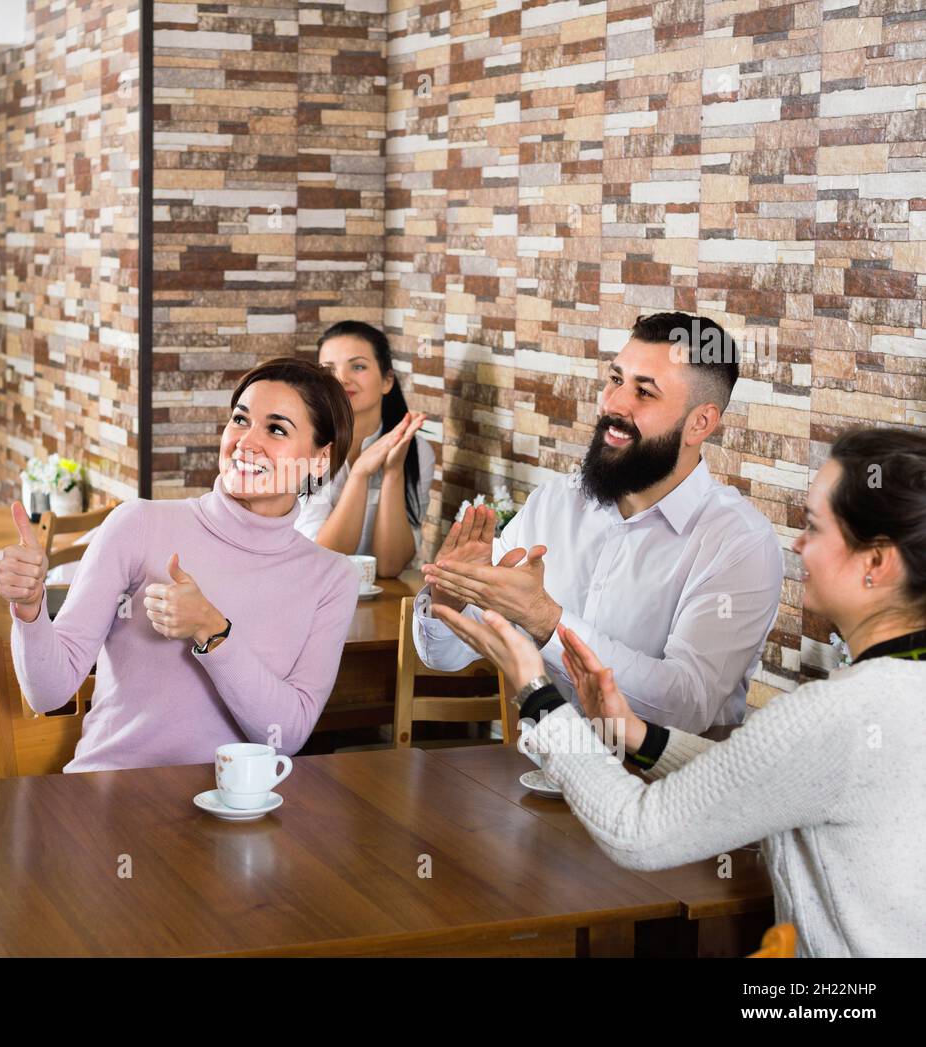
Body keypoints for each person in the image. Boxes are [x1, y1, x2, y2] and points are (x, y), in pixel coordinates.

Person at [435, 425, 926, 958]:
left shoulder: (837, 713)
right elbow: (765, 773)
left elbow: (637, 832)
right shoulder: (884, 697)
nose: (799, 544)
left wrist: (536, 692)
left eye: (814, 527)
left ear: (876, 563)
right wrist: (638, 736)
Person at [415, 313, 783, 733]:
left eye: (644, 392)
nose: (614, 404)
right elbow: (444, 657)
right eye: (615, 379)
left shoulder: (739, 543)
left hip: (666, 790)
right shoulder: (553, 504)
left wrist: (547, 622)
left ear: (700, 422)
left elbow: (686, 706)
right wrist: (451, 599)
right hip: (537, 778)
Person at [0, 357, 361, 772]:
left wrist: (212, 630)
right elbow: (48, 693)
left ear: (319, 459)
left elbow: (286, 736)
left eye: (276, 429)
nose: (246, 442)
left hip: (235, 811)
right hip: (111, 798)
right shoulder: (138, 524)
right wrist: (29, 608)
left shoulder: (331, 579)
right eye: (240, 420)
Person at [295, 321, 434, 577]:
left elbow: (389, 566)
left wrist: (393, 472)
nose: (341, 378)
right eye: (328, 368)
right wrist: (360, 473)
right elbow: (323, 559)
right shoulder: (306, 447)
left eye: (358, 366)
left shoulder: (417, 452)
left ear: (387, 381)